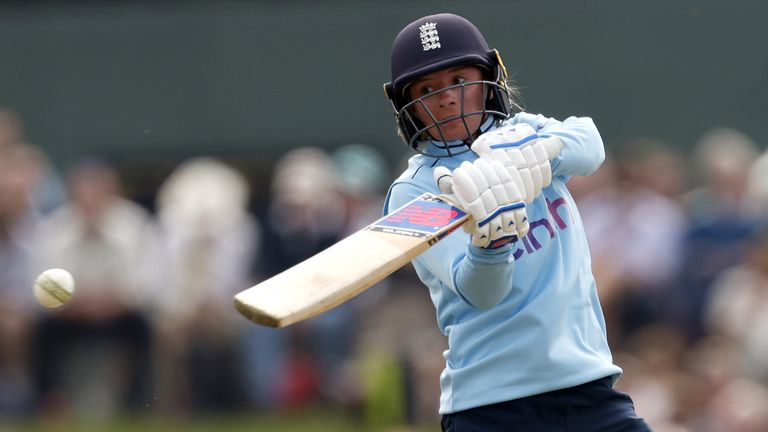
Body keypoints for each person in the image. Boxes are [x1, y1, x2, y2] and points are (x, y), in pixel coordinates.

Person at [382, 13, 650, 431]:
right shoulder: (415, 192)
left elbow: (592, 147)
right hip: (490, 405)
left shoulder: (521, 132)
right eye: (427, 89)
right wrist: (491, 245)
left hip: (586, 386)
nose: (447, 98)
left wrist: (541, 149)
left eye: (459, 80)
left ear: (489, 77)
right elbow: (481, 292)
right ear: (408, 106)